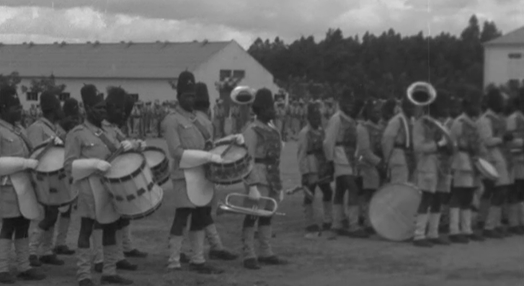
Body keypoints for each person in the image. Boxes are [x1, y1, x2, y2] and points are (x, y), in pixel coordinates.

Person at [64, 84, 134, 286]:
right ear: (86, 107)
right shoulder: (76, 133)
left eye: (104, 107)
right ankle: (84, 275)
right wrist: (93, 164)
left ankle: (109, 271)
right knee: (86, 229)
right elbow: (69, 166)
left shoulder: (109, 131)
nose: (103, 112)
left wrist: (130, 146)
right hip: (88, 187)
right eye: (98, 108)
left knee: (111, 227)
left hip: (109, 187)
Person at [162, 71, 226, 274]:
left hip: (202, 175)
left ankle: (198, 259)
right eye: (187, 95)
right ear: (178, 96)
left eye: (193, 95)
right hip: (183, 175)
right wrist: (205, 157)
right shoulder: (171, 120)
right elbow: (176, 151)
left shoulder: (202, 120)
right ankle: (173, 260)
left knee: (199, 215)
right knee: (182, 216)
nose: (191, 99)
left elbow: (210, 145)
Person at [92, 87, 147, 274]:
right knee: (100, 222)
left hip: (114, 180)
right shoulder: (99, 127)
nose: (123, 114)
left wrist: (136, 144)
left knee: (116, 219)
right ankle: (99, 259)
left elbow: (126, 143)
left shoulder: (113, 128)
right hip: (100, 180)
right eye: (121, 110)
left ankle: (117, 256)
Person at [0, 86, 46, 283]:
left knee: (23, 224)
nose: (19, 110)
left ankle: (23, 266)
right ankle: (1, 268)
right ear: (2, 108)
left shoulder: (18, 129)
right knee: (8, 226)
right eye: (14, 107)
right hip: (8, 186)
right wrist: (25, 163)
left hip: (25, 185)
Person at [241, 88, 288, 270]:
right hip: (258, 177)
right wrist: (251, 184)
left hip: (272, 176)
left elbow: (277, 157)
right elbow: (247, 159)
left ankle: (265, 251)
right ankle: (248, 253)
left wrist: (280, 184)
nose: (273, 111)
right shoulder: (251, 131)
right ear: (260, 109)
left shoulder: (273, 129)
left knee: (268, 215)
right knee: (253, 215)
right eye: (269, 108)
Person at [27, 90, 67, 267]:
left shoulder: (54, 127)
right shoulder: (37, 128)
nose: (61, 110)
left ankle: (47, 250)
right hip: (42, 178)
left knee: (54, 214)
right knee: (46, 216)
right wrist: (51, 144)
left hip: (55, 177)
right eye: (59, 106)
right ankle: (32, 251)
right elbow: (35, 154)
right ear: (52, 108)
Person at [411, 90, 454, 247]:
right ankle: (419, 235)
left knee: (439, 199)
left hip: (442, 165)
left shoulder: (439, 123)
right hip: (428, 164)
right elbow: (418, 147)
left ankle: (433, 233)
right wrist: (438, 144)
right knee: (427, 198)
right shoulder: (421, 123)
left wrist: (448, 146)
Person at [323, 88, 368, 238]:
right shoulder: (336, 118)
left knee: (341, 189)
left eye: (351, 102)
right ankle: (353, 225)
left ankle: (337, 223)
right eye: (346, 102)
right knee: (352, 188)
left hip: (350, 157)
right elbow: (329, 141)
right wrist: (330, 160)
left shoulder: (350, 119)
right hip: (340, 157)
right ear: (340, 102)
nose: (349, 105)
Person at [448, 89, 485, 243]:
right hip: (462, 161)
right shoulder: (459, 123)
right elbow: (452, 143)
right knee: (458, 195)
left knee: (468, 196)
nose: (477, 108)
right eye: (475, 105)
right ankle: (454, 231)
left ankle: (467, 229)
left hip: (472, 161)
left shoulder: (474, 123)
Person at [477, 87, 513, 238]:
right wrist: (503, 139)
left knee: (493, 192)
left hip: (500, 157)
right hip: (491, 158)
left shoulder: (498, 119)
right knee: (500, 191)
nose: (503, 104)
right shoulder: (485, 120)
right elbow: (487, 141)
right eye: (501, 101)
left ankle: (487, 222)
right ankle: (489, 226)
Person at [297, 102, 334, 237]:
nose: (317, 120)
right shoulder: (304, 133)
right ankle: (309, 222)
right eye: (314, 118)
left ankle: (328, 220)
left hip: (322, 166)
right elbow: (301, 154)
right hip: (311, 166)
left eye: (319, 118)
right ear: (309, 118)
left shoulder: (321, 131)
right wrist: (304, 172)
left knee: (327, 191)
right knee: (310, 194)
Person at [54, 98, 82, 256]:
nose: (73, 119)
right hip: (55, 174)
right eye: (71, 115)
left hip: (69, 174)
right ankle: (37, 249)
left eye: (76, 116)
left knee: (67, 209)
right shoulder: (58, 130)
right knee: (51, 212)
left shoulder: (75, 129)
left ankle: (61, 242)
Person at [356, 99, 386, 234]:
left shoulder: (381, 127)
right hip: (366, 163)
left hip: (379, 162)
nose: (377, 114)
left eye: (379, 111)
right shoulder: (363, 128)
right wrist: (378, 162)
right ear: (368, 113)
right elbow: (364, 151)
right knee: (368, 192)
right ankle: (367, 220)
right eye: (374, 112)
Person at [504, 89, 524, 235]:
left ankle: (521, 221)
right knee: (515, 190)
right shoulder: (514, 118)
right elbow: (508, 140)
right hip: (516, 159)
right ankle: (513, 223)